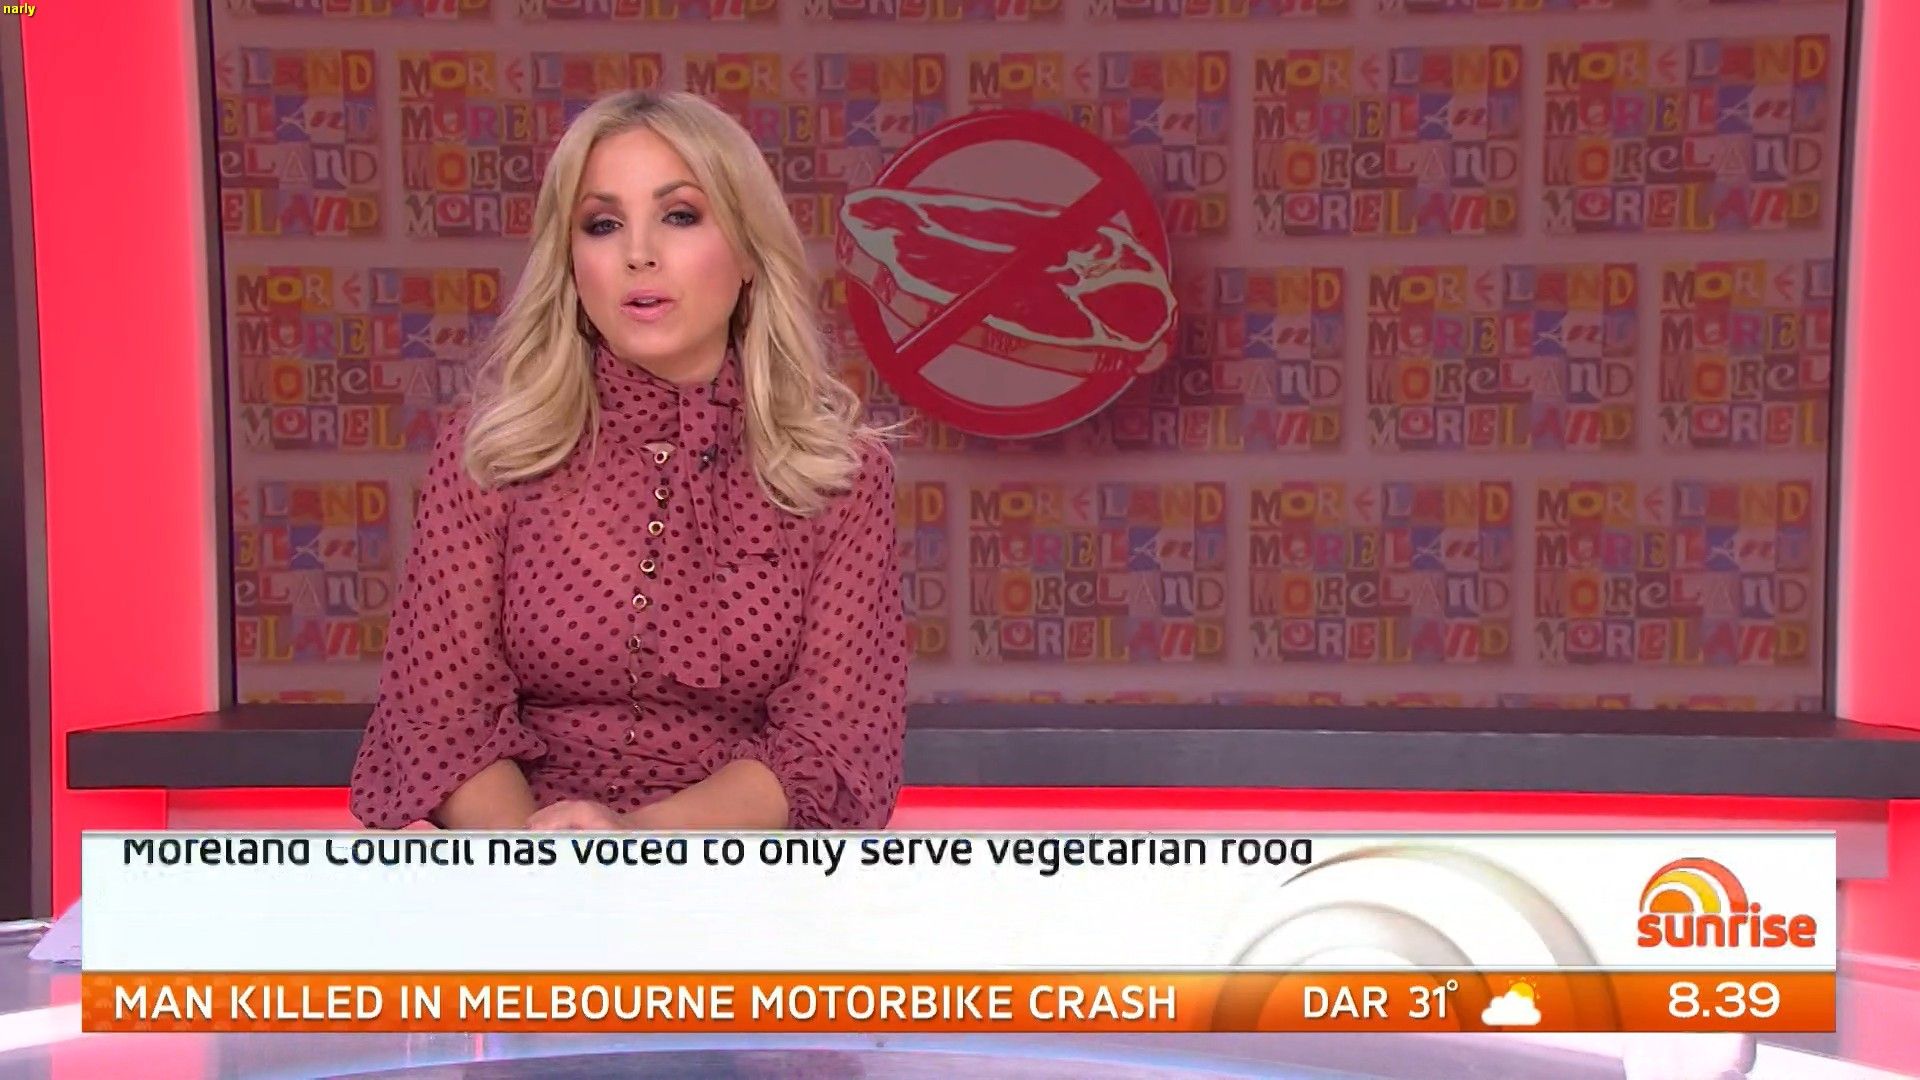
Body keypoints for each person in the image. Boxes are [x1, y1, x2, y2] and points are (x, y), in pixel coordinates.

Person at [348, 90, 907, 832]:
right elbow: (439, 720)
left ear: (747, 253)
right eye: (603, 224)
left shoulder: (840, 477)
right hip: (518, 871)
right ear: (571, 263)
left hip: (737, 876)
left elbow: (831, 742)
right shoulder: (491, 455)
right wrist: (543, 860)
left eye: (680, 215)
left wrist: (633, 843)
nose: (638, 253)